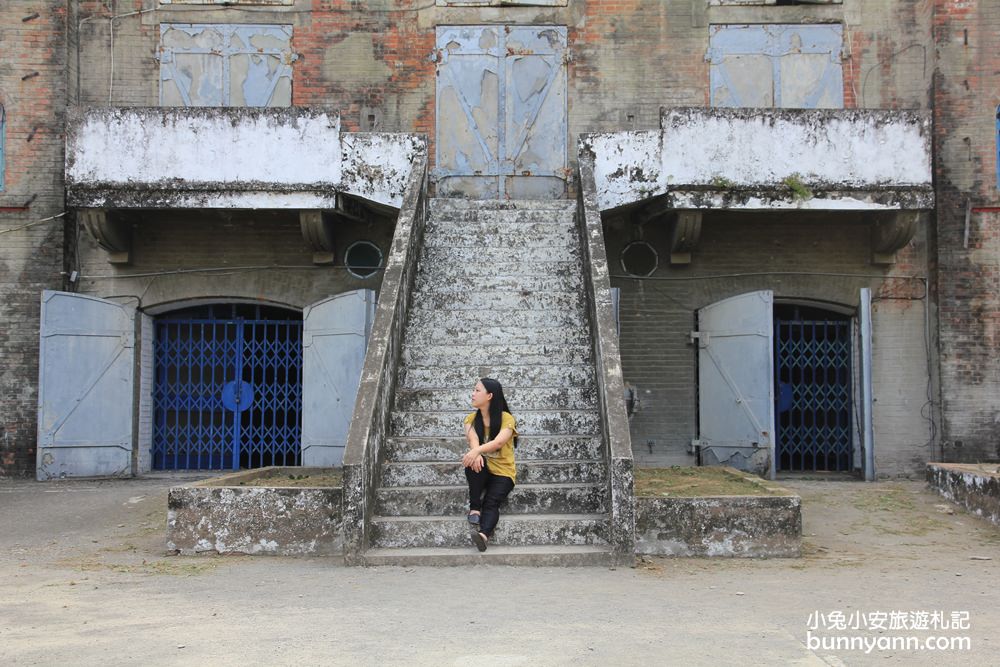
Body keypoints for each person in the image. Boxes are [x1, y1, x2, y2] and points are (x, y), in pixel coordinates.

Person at [462, 377, 518, 552]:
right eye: (474, 390)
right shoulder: (471, 419)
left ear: (489, 396)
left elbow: (499, 443)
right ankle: (474, 509)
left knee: (492, 501)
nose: (473, 394)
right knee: (473, 459)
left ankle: (483, 535)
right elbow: (473, 441)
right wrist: (476, 452)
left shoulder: (506, 418)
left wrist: (476, 451)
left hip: (503, 473)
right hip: (483, 469)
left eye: (477, 390)